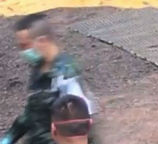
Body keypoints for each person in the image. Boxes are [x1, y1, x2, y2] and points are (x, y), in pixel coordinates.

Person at [2, 14, 92, 144]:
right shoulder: (40, 69)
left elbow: (77, 129)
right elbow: (31, 114)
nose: (22, 51)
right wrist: (7, 139)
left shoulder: (66, 74)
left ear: (42, 41)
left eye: (25, 46)